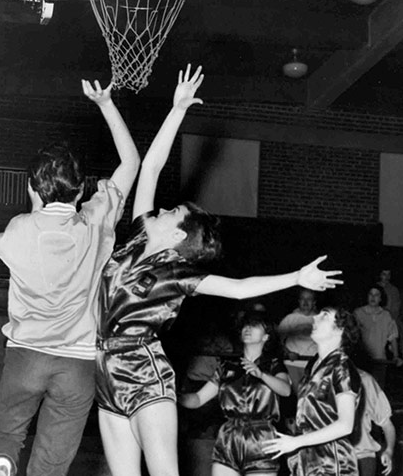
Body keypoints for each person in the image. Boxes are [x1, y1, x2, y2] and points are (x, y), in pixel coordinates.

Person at [94, 64, 344, 476]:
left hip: (144, 372)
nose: (163, 208)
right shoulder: (139, 235)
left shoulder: (178, 274)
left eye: (172, 212)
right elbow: (151, 169)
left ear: (178, 237)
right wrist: (173, 110)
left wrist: (297, 278)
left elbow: (241, 289)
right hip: (105, 371)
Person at [0, 80, 141, 476]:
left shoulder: (17, 230)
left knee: (7, 432)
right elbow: (131, 163)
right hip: (77, 364)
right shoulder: (94, 223)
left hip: (26, 355)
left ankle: (2, 463)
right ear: (79, 193)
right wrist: (105, 103)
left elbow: (15, 233)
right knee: (53, 460)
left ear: (32, 190)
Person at [179, 311, 292, 476]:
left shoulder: (274, 364)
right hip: (229, 437)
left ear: (266, 337)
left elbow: (286, 390)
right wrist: (173, 396)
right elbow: (197, 399)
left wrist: (261, 375)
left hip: (261, 438)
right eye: (245, 325)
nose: (247, 328)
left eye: (254, 325)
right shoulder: (226, 367)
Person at [262, 306, 362, 476]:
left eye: (324, 316)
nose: (315, 318)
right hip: (306, 460)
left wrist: (297, 441)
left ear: (340, 329)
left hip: (331, 462)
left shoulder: (341, 367)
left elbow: (346, 425)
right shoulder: (313, 366)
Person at [354, 285, 402, 388]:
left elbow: (393, 337)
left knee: (378, 391)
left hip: (380, 360)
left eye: (376, 295)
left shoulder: (386, 315)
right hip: (362, 360)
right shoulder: (358, 314)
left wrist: (396, 356)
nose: (373, 297)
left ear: (381, 298)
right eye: (371, 294)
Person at [355, 369, 396, 476]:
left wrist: (389, 450)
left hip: (362, 457)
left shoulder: (365, 380)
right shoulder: (321, 379)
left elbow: (387, 423)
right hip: (330, 457)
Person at [278, 288, 319, 390]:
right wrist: (287, 353)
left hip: (314, 365)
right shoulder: (289, 319)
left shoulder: (320, 318)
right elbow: (277, 341)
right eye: (302, 299)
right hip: (292, 364)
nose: (305, 303)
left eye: (309, 299)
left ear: (314, 302)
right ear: (299, 301)